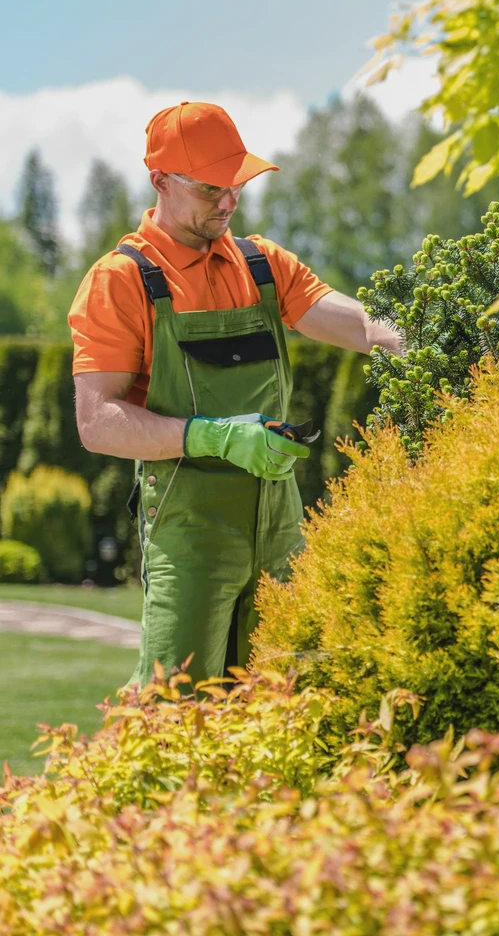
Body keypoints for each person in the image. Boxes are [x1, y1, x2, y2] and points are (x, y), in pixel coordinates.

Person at [68, 101, 402, 689]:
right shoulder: (123, 280)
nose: (227, 202)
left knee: (288, 699)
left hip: (280, 526)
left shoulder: (262, 265)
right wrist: (212, 437)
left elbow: (358, 326)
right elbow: (98, 422)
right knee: (179, 710)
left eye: (236, 186)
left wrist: (424, 338)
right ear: (161, 182)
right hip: (189, 527)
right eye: (209, 188)